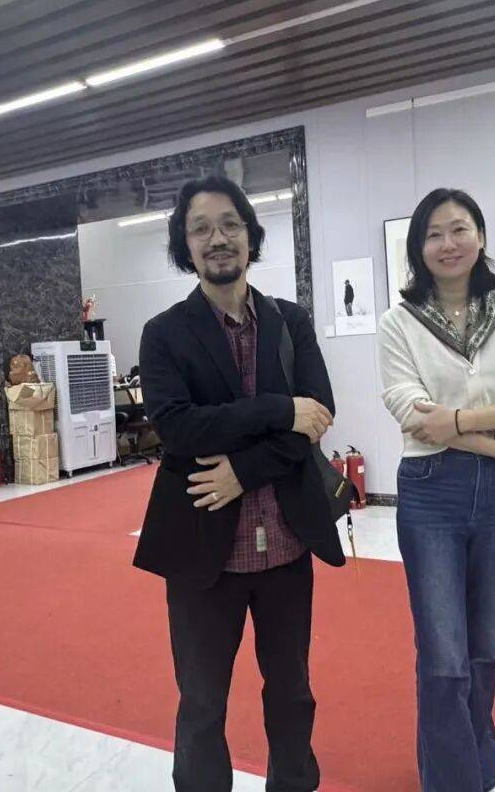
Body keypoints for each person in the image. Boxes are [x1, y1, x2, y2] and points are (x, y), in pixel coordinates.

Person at [133, 174, 344, 792]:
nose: (217, 238)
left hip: (286, 544)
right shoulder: (164, 333)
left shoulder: (290, 322)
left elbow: (318, 414)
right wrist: (278, 410)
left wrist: (241, 471)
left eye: (230, 224)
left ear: (251, 235)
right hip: (203, 552)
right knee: (202, 702)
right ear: (185, 245)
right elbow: (178, 428)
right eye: (200, 228)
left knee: (293, 694)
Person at [377, 188, 495, 792]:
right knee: (445, 655)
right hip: (432, 492)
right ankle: (456, 781)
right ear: (417, 249)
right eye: (433, 234)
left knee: (484, 649)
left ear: (480, 236)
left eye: (459, 229)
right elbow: (411, 413)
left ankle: (481, 769)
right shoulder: (399, 324)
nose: (447, 244)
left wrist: (459, 421)